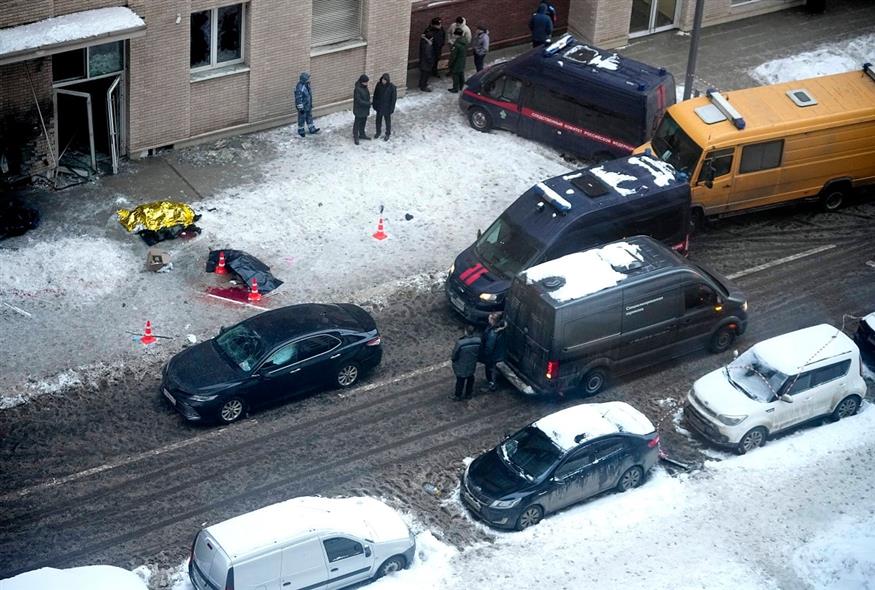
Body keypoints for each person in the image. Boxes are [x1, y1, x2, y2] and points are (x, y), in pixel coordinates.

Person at [451, 325, 481, 400]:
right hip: (471, 363)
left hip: (461, 364)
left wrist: (454, 360)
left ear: (466, 332)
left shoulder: (460, 343)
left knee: (460, 380)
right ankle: (468, 393)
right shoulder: (478, 341)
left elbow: (455, 354)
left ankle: (458, 395)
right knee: (470, 378)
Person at [479, 312, 507, 391]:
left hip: (493, 356)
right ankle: (492, 382)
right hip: (498, 353)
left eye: (490, 318)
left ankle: (492, 384)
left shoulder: (493, 333)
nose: (488, 319)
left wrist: (485, 355)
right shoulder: (501, 328)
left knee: (491, 370)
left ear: (493, 320)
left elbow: (489, 347)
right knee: (493, 369)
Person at [293, 72, 319, 137]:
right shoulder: (299, 88)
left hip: (308, 105)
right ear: (304, 79)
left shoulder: (307, 85)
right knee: (302, 118)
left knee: (309, 117)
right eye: (307, 78)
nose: (308, 80)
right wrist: (300, 108)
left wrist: (310, 104)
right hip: (303, 107)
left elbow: (309, 95)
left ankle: (311, 128)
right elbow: (298, 99)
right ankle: (301, 130)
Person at [372, 73, 397, 141]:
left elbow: (393, 99)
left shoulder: (392, 87)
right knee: (378, 120)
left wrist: (391, 108)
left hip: (387, 108)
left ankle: (387, 133)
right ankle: (378, 132)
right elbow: (375, 95)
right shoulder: (378, 85)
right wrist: (374, 104)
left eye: (385, 80)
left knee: (387, 121)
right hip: (379, 106)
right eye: (383, 79)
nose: (383, 81)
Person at [447, 28, 468, 93]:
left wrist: (449, 64)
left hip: (457, 63)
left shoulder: (456, 45)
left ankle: (455, 88)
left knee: (455, 75)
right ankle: (462, 86)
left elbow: (453, 56)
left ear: (456, 35)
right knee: (461, 74)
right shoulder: (465, 41)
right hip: (462, 61)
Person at [352, 74, 371, 145]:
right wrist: (368, 103)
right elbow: (359, 100)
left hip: (365, 109)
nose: (366, 83)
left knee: (363, 122)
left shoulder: (364, 87)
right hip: (359, 109)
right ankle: (355, 136)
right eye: (365, 82)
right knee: (357, 123)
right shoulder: (357, 89)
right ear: (362, 81)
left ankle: (362, 134)